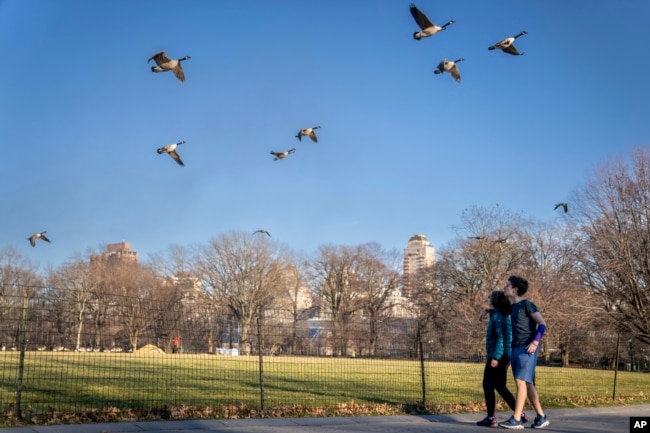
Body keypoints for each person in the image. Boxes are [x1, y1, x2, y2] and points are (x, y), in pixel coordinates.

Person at [499, 275, 550, 429]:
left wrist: (535, 342)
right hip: (516, 347)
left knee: (520, 382)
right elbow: (496, 308)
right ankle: (541, 417)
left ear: (514, 289)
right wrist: (485, 311)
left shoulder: (528, 305)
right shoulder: (512, 307)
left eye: (507, 285)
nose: (504, 287)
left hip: (527, 348)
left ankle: (516, 419)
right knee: (527, 384)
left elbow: (542, 324)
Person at [477, 291, 527, 428]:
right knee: (500, 386)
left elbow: (501, 337)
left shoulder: (499, 316)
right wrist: (486, 311)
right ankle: (520, 414)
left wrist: (495, 357)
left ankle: (491, 418)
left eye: (490, 298)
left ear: (496, 301)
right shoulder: (503, 314)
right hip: (506, 356)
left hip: (498, 356)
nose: (488, 299)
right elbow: (495, 314)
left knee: (488, 385)